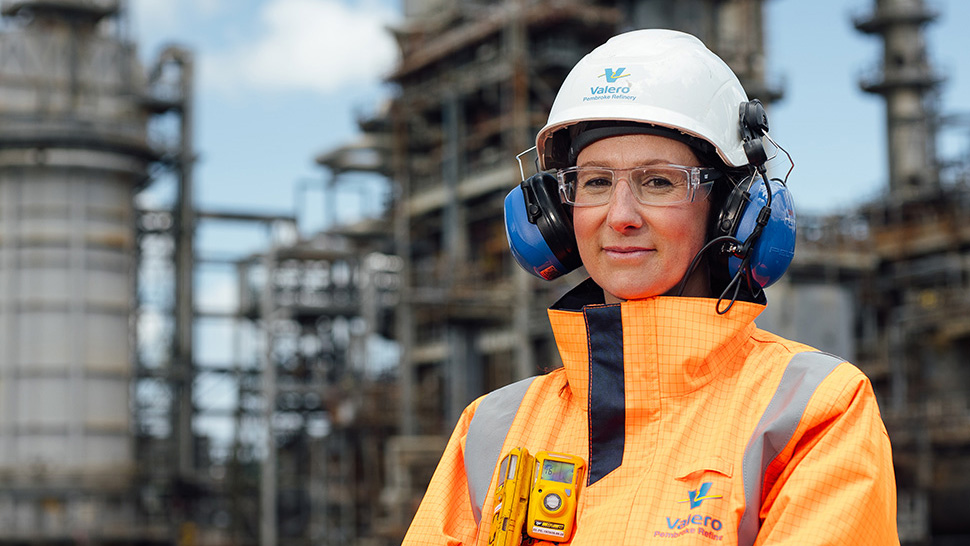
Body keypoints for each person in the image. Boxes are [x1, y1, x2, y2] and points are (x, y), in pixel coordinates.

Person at [403, 29, 898, 545]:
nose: (620, 217)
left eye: (658, 181)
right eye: (595, 182)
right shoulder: (488, 431)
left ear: (734, 209)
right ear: (555, 214)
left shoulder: (813, 412)